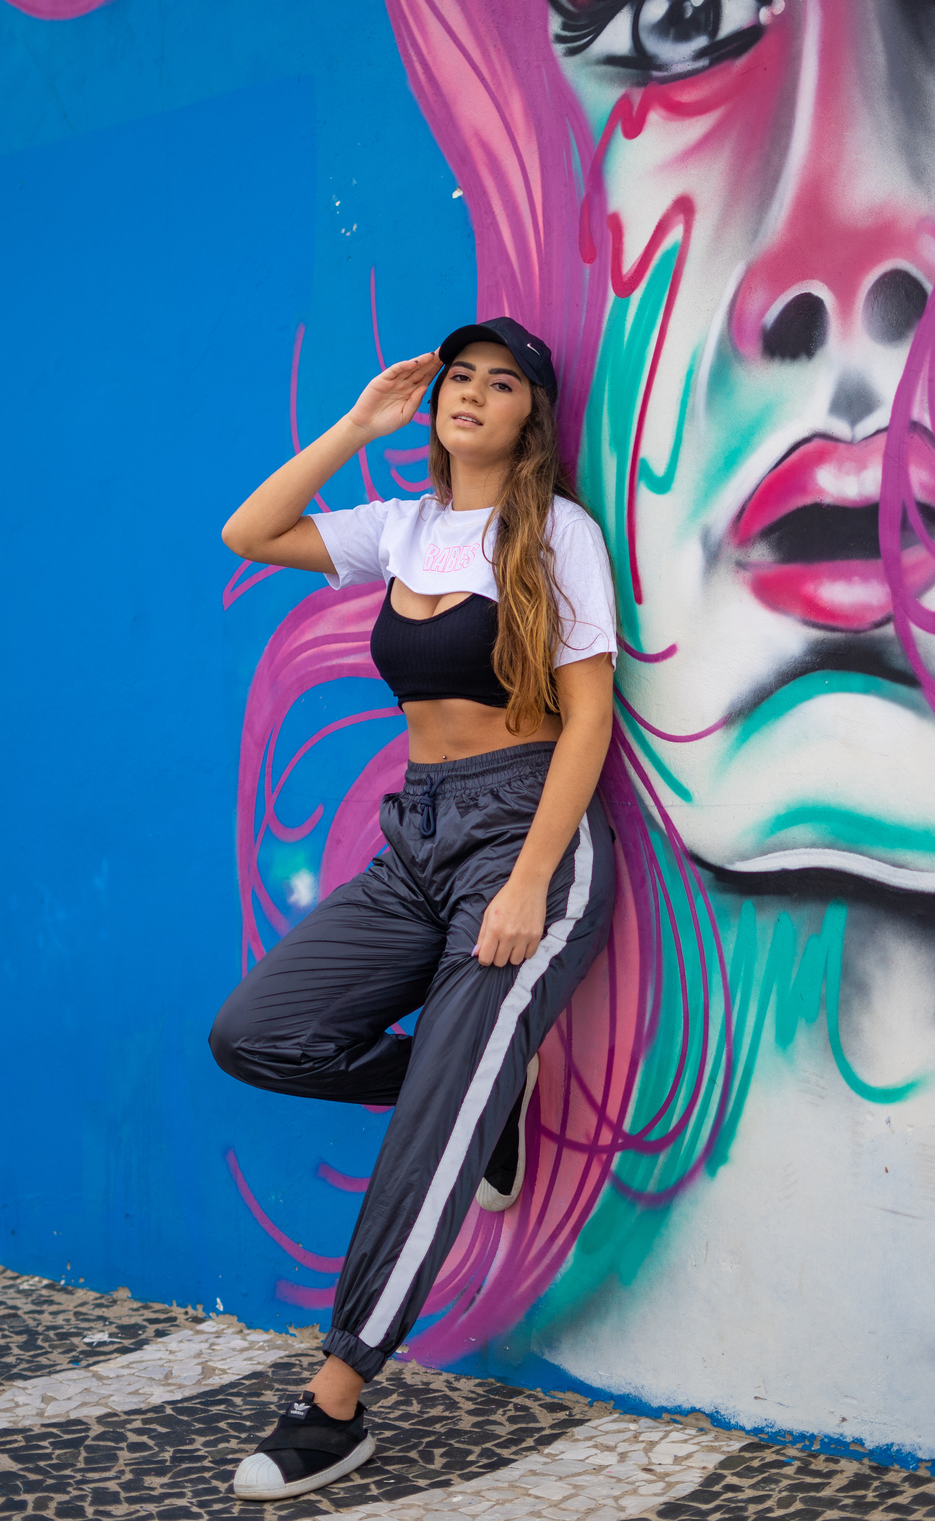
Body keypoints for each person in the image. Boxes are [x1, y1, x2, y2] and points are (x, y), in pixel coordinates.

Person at [210, 318, 618, 1499]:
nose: (472, 396)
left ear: (531, 418)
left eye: (502, 385)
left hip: (524, 831)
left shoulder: (556, 534)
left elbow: (589, 719)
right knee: (257, 1034)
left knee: (428, 1124)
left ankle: (335, 1402)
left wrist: (533, 881)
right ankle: (479, 1094)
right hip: (418, 833)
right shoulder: (403, 527)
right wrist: (357, 425)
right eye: (460, 380)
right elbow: (250, 530)